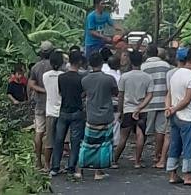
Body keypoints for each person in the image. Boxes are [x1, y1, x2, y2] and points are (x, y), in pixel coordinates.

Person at [166, 48, 191, 186]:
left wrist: (169, 109)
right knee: (189, 146)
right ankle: (188, 175)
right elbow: (187, 100)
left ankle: (172, 173)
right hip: (186, 116)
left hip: (174, 115)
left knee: (175, 145)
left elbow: (169, 94)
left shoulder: (175, 74)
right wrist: (176, 108)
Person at [79, 51, 119, 180]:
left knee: (87, 143)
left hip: (91, 115)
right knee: (104, 144)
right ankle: (98, 171)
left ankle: (80, 169)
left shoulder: (85, 80)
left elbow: (83, 94)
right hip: (106, 115)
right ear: (102, 64)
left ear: (90, 64)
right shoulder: (109, 79)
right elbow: (115, 92)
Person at [114, 50, 154, 168]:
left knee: (123, 137)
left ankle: (114, 160)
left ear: (130, 61)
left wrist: (120, 110)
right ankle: (137, 161)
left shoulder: (125, 77)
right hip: (142, 110)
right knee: (140, 135)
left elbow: (120, 95)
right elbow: (150, 94)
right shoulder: (147, 77)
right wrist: (141, 106)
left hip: (128, 109)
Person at [50, 50, 86, 179]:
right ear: (80, 62)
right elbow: (83, 94)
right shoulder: (81, 78)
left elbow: (60, 92)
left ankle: (55, 167)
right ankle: (71, 167)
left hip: (63, 111)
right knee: (75, 141)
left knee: (59, 140)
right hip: (77, 111)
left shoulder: (61, 77)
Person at [141, 44, 172, 169]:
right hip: (163, 101)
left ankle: (138, 155)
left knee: (145, 130)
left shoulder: (143, 67)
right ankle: (157, 154)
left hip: (148, 102)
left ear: (147, 53)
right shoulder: (166, 66)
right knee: (161, 130)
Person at [27, 41, 54, 170]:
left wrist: (41, 90)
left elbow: (31, 84)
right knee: (50, 134)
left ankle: (38, 161)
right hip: (52, 105)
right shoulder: (55, 66)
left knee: (39, 132)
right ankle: (49, 163)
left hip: (39, 104)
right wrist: (48, 90)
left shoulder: (35, 67)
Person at [42, 51, 65, 172]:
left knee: (49, 141)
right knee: (61, 141)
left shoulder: (45, 76)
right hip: (62, 110)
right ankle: (59, 165)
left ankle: (46, 165)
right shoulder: (63, 75)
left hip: (49, 111)